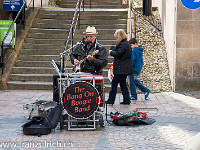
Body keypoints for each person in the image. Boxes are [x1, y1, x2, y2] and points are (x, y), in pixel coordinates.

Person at [106, 29, 134, 105]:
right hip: (125, 68)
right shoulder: (126, 43)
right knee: (123, 84)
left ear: (120, 36)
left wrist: (111, 52)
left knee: (114, 84)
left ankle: (111, 100)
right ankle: (126, 100)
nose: (116, 39)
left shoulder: (123, 44)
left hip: (121, 68)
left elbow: (118, 53)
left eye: (117, 37)